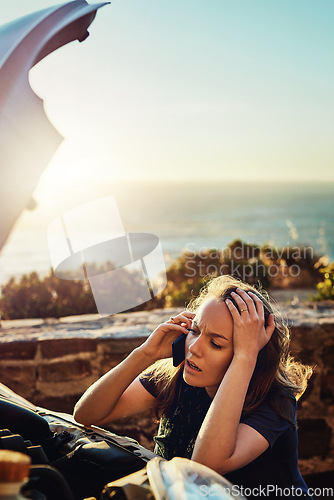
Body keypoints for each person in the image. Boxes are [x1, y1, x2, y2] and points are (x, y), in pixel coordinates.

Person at [74, 275, 313, 499]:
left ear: (251, 354)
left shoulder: (274, 400)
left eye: (216, 344)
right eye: (195, 331)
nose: (194, 348)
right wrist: (145, 353)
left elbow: (203, 468)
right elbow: (86, 413)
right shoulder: (181, 374)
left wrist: (244, 357)